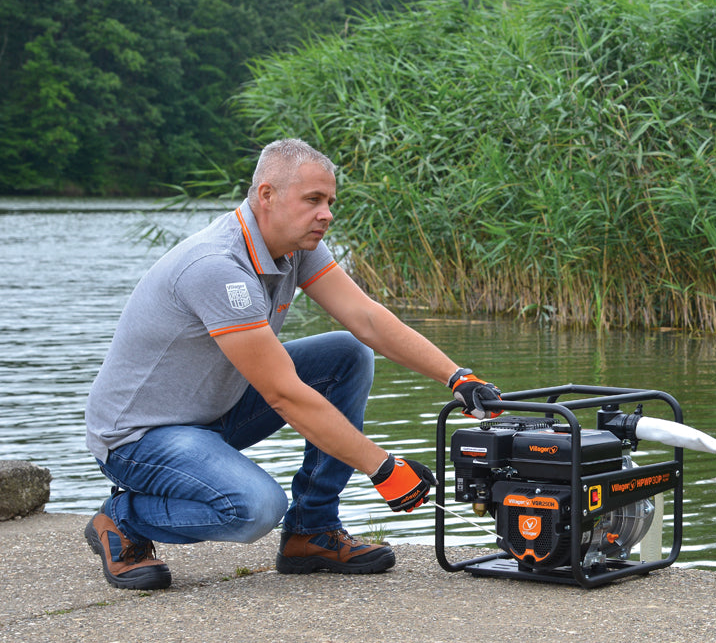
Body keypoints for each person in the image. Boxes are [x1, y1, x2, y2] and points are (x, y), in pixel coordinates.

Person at [83, 138, 502, 590]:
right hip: (139, 437)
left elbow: (366, 318)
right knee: (255, 508)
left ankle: (311, 532)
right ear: (267, 195)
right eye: (313, 200)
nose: (327, 214)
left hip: (211, 413)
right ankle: (122, 520)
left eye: (330, 201)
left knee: (347, 353)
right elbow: (283, 393)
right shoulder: (216, 266)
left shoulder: (295, 246)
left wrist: (457, 376)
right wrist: (383, 467)